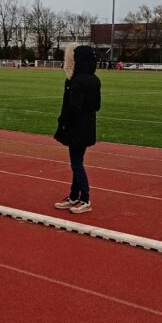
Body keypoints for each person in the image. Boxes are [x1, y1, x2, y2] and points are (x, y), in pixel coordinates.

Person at [53, 45, 102, 214]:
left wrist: (64, 120)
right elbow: (97, 105)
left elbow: (73, 106)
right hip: (88, 125)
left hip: (77, 127)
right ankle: (74, 196)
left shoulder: (76, 80)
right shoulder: (95, 79)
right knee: (77, 162)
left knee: (76, 164)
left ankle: (85, 198)